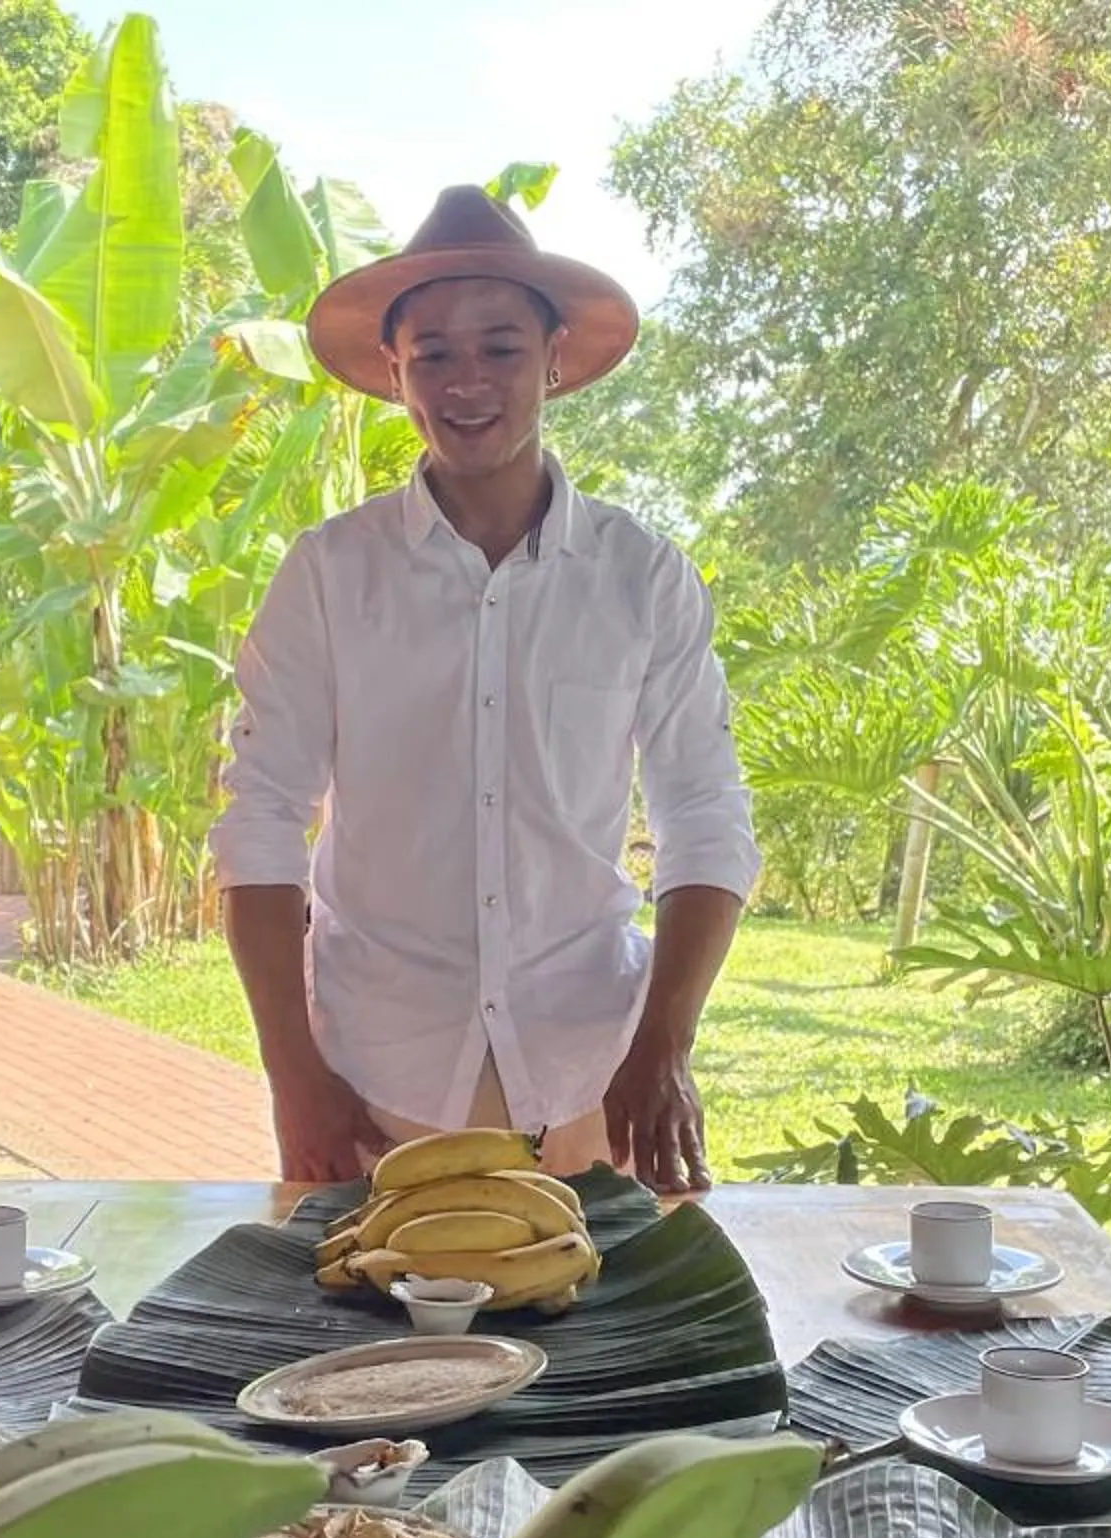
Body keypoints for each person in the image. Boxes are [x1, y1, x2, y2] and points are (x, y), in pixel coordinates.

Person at [211, 186, 761, 1194]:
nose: (467, 382)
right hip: (376, 1081)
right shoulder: (331, 576)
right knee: (378, 1352)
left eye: (501, 349)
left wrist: (663, 1047)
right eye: (434, 355)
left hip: (598, 1071)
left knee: (613, 1350)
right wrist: (295, 1076)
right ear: (395, 372)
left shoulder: (641, 578)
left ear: (554, 360)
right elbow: (260, 823)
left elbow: (705, 816)